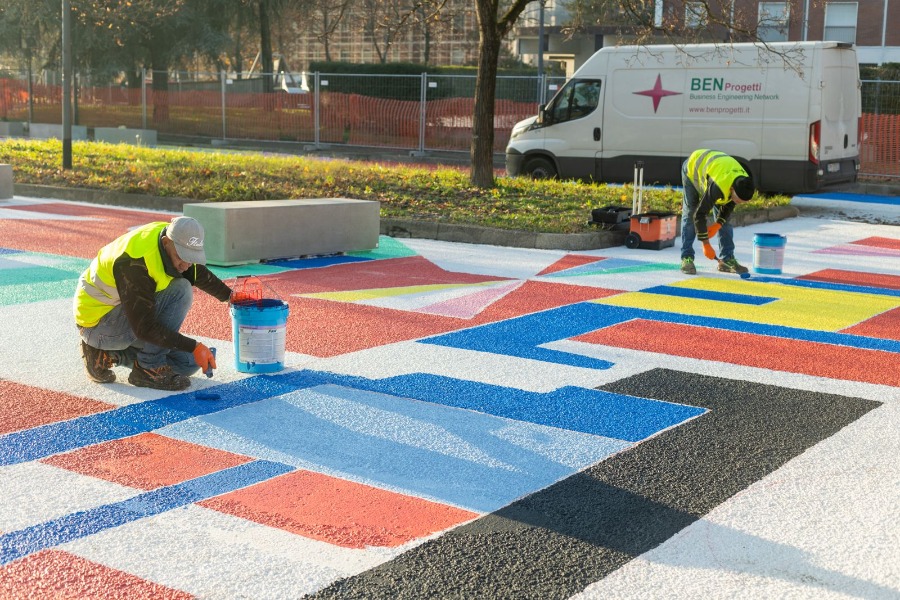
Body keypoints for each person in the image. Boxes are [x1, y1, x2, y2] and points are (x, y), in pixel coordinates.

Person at [74, 216, 232, 390]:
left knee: (188, 363)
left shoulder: (175, 239)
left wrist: (231, 296)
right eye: (182, 257)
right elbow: (144, 328)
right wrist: (194, 346)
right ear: (166, 243)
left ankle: (108, 355)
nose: (186, 265)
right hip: (98, 324)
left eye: (191, 257)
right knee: (181, 290)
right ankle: (148, 368)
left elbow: (197, 272)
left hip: (125, 315)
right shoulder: (134, 262)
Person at [679, 149, 756, 275]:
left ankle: (727, 259)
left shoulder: (743, 183)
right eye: (738, 200)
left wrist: (718, 224)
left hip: (716, 172)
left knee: (725, 221)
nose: (738, 203)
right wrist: (706, 244)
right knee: (690, 213)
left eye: (742, 202)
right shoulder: (720, 186)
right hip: (693, 168)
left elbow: (730, 205)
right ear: (732, 189)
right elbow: (699, 214)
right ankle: (686, 258)